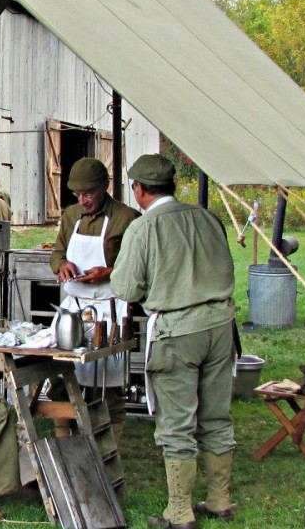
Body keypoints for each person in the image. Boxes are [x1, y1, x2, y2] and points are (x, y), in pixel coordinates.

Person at [110, 154, 236, 529]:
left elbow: (127, 287)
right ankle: (219, 500)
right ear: (173, 185)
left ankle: (179, 512)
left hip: (178, 331)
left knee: (176, 424)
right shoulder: (207, 218)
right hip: (220, 326)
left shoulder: (143, 228)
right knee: (216, 415)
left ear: (140, 190)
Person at [48, 157, 140, 445]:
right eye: (78, 194)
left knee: (108, 385)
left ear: (104, 187)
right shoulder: (71, 215)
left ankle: (107, 450)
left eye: (88, 194)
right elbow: (57, 252)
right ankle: (67, 441)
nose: (82, 200)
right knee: (61, 377)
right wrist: (61, 265)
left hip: (110, 307)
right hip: (73, 307)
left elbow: (138, 265)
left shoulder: (127, 218)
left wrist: (109, 272)